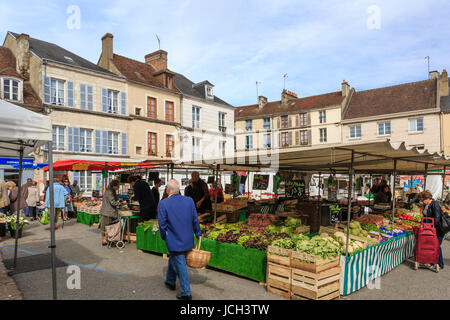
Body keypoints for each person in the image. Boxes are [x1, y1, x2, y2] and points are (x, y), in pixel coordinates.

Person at [158, 179, 202, 300]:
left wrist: (165, 236)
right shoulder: (189, 201)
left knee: (180, 264)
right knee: (175, 258)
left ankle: (186, 293)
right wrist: (198, 233)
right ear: (178, 190)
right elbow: (195, 219)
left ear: (167, 190)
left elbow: (162, 225)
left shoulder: (163, 203)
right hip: (187, 238)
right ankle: (170, 281)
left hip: (174, 239)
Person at [418, 191, 445, 270]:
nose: (422, 202)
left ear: (427, 198)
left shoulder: (435, 205)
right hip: (432, 228)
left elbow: (437, 219)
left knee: (436, 246)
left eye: (422, 200)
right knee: (433, 246)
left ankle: (440, 264)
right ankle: (432, 261)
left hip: (438, 229)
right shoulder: (428, 205)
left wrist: (429, 226)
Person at [99, 180, 125, 246]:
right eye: (118, 186)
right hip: (108, 212)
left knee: (107, 226)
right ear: (114, 186)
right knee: (106, 226)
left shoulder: (111, 191)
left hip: (108, 212)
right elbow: (113, 202)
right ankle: (104, 240)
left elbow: (114, 200)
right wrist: (121, 203)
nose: (118, 187)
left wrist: (119, 201)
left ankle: (107, 239)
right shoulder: (110, 192)